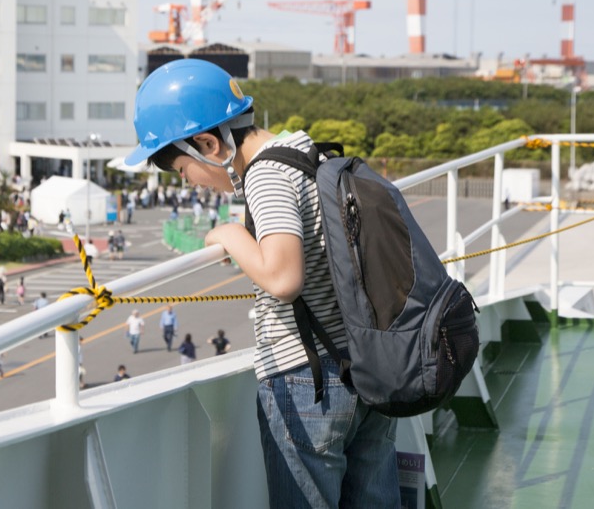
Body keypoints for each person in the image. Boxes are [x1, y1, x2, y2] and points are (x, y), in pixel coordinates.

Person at [125, 59, 398, 507]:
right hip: (365, 365)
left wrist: (230, 234)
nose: (191, 184)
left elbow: (283, 277)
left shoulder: (267, 176)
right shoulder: (311, 152)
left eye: (182, 172)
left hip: (308, 380)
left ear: (208, 144)